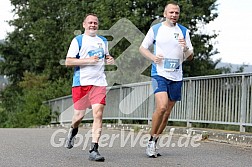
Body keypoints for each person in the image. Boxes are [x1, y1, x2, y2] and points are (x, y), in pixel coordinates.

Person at [139, 2, 194, 158]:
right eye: (171, 12)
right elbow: (142, 48)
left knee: (167, 112)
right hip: (159, 73)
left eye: (176, 13)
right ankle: (150, 141)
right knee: (162, 107)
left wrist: (185, 48)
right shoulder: (156, 29)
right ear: (165, 14)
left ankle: (155, 141)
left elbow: (191, 57)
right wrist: (153, 57)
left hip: (176, 75)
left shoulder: (184, 31)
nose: (174, 15)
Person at [64, 13, 114, 162]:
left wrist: (109, 58)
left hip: (98, 83)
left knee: (98, 113)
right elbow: (68, 62)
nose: (93, 25)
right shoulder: (78, 40)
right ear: (84, 25)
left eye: (95, 23)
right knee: (78, 116)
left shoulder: (103, 41)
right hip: (81, 83)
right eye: (90, 23)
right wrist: (88, 60)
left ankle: (94, 149)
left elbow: (106, 55)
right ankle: (73, 130)